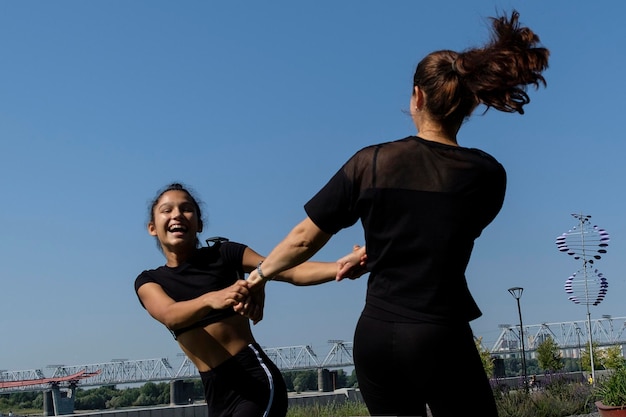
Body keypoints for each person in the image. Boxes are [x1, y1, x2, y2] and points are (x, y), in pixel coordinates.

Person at [239, 10, 549, 417]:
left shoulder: (371, 163)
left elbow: (302, 239)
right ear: (471, 102)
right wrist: (379, 247)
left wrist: (259, 277)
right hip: (440, 334)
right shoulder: (488, 175)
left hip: (376, 338)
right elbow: (437, 234)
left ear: (417, 96)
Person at [134, 182, 366, 417]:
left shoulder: (225, 254)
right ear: (152, 228)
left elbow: (290, 270)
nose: (177, 215)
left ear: (200, 223)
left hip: (255, 380)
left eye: (186, 209)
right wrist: (213, 299)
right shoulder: (150, 281)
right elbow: (170, 315)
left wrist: (341, 266)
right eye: (167, 210)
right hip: (215, 394)